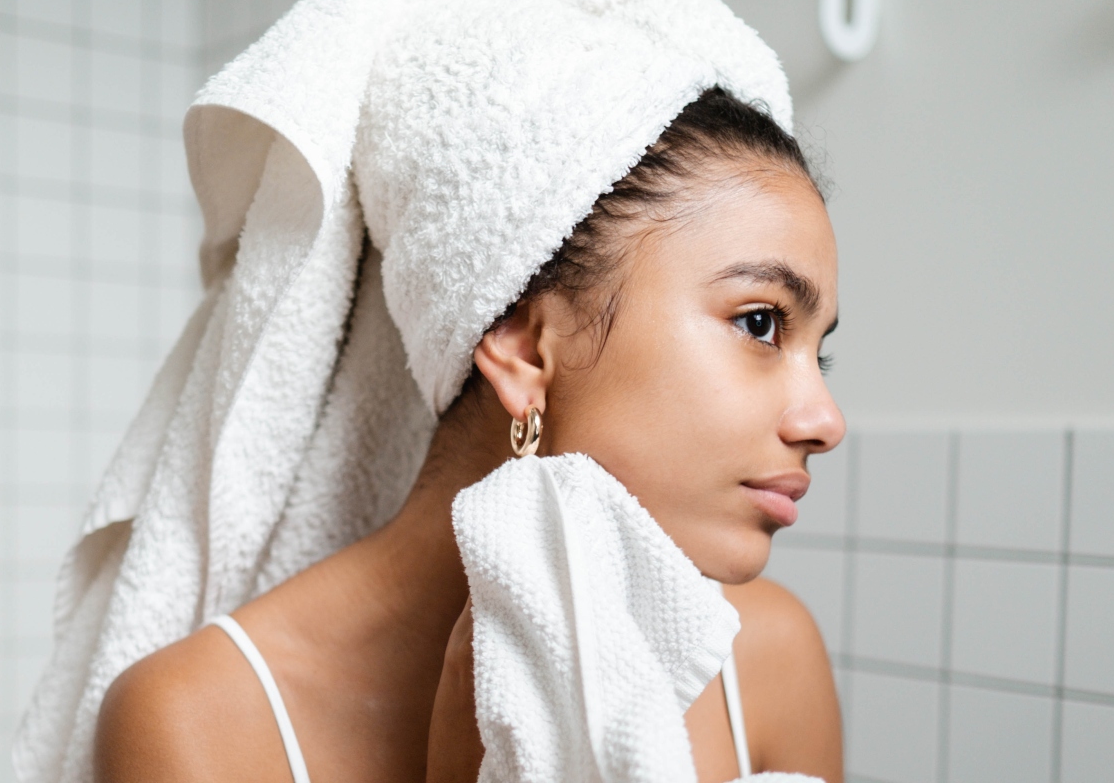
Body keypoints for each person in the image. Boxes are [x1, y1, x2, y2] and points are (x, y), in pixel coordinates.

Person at [91, 81, 846, 783]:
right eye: (760, 323)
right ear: (524, 348)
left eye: (823, 352)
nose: (825, 422)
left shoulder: (769, 657)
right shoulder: (199, 722)